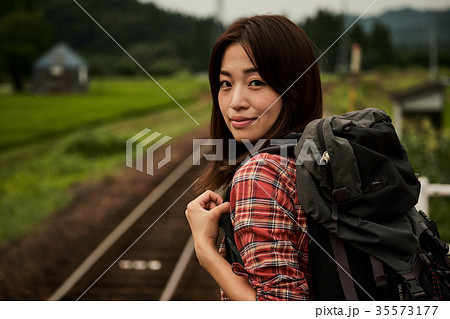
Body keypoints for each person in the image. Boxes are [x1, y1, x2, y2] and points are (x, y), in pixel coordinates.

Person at [185, 15, 323, 301]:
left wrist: (205, 251)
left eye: (256, 82)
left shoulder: (259, 174)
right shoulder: (313, 155)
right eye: (225, 83)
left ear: (293, 88)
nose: (235, 101)